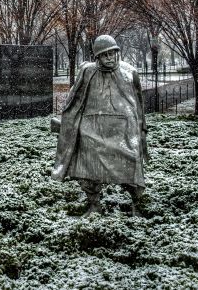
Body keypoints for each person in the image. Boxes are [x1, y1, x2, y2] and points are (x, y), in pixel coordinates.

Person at [52, 35, 148, 216]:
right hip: (92, 131)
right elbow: (74, 100)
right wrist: (67, 124)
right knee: (86, 169)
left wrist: (142, 127)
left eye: (113, 53)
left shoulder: (129, 72)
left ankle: (136, 205)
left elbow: (139, 103)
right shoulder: (88, 72)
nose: (110, 58)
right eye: (105, 55)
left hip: (123, 132)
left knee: (131, 169)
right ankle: (94, 204)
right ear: (97, 57)